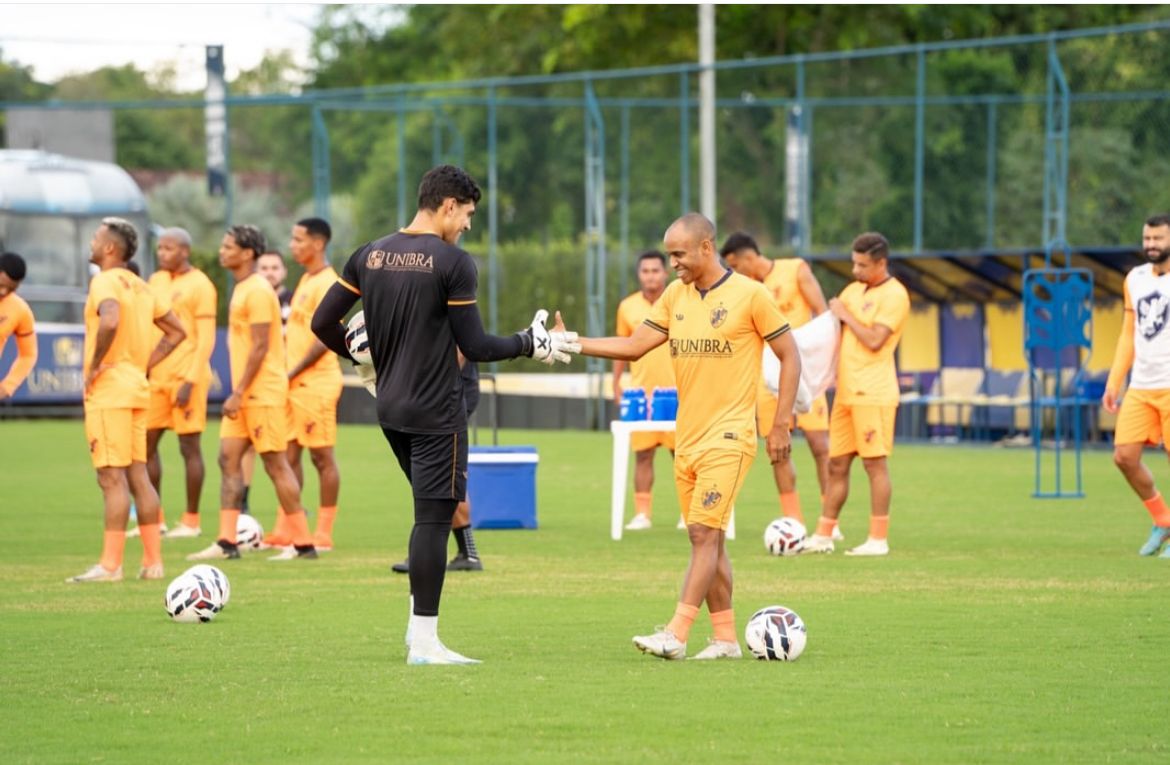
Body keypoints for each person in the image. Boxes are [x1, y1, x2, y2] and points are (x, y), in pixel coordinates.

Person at [310, 164, 577, 665]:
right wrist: (529, 343)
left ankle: (419, 635)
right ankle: (425, 643)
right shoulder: (453, 262)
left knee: (427, 517)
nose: (468, 226)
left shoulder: (369, 254)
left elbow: (322, 322)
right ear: (448, 205)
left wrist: (361, 361)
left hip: (389, 407)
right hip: (437, 411)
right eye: (468, 214)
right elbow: (473, 344)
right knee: (433, 520)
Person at [563, 212, 802, 661]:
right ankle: (727, 639)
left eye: (679, 254)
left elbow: (790, 355)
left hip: (729, 436)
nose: (673, 263)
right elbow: (634, 345)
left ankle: (676, 632)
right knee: (710, 540)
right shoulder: (675, 296)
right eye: (669, 254)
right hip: (687, 436)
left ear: (706, 247)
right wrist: (572, 342)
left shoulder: (751, 295)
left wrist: (781, 421)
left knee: (701, 535)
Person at [187, 225, 319, 562]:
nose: (222, 250)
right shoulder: (243, 287)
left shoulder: (258, 290)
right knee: (227, 459)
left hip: (261, 393)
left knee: (275, 464)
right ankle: (227, 542)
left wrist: (240, 391)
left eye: (229, 246)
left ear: (247, 253)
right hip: (245, 395)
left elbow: (260, 346)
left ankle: (304, 544)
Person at [68, 218, 187, 582]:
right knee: (139, 473)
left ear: (109, 248)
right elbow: (177, 331)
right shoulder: (140, 284)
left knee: (110, 477)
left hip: (111, 390)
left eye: (96, 238)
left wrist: (95, 366)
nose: (91, 243)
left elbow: (109, 321)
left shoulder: (104, 280)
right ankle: (153, 563)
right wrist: (143, 364)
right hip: (136, 386)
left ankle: (110, 565)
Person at [803, 232, 910, 557]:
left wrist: (846, 315)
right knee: (837, 464)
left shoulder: (895, 295)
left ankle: (878, 539)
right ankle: (824, 534)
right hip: (846, 393)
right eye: (854, 263)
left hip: (873, 392)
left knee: (874, 465)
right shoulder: (852, 290)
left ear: (881, 263)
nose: (855, 270)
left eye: (863, 265)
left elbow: (875, 340)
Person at [720, 232, 834, 534]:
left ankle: (828, 523)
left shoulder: (796, 269)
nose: (733, 272)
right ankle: (793, 523)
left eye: (734, 265)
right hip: (766, 378)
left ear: (747, 257)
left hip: (802, 374)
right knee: (777, 450)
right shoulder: (744, 291)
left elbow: (824, 317)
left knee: (820, 446)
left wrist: (821, 364)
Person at [137, 227, 217, 539]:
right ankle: (153, 517)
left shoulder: (201, 285)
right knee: (146, 445)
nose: (162, 253)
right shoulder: (155, 281)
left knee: (189, 447)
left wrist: (191, 379)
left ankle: (191, 521)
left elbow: (206, 339)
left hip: (188, 375)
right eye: (160, 248)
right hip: (156, 375)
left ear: (185, 251)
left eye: (169, 248)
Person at [1103, 213, 1170, 558]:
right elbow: (1129, 333)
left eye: (1158, 239)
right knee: (1124, 457)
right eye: (1147, 239)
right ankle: (1163, 520)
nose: (1151, 245)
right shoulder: (1135, 278)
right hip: (1141, 385)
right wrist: (1115, 381)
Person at [275, 217, 343, 551]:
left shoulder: (329, 282)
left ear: (318, 243)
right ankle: (288, 528)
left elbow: (326, 338)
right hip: (294, 382)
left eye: (298, 239)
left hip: (316, 382)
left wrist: (293, 371)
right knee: (288, 455)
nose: (293, 245)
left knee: (322, 457)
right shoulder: (305, 279)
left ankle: (324, 533)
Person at [391, 350, 485, 573]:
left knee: (439, 474)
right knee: (437, 475)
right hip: (434, 394)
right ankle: (466, 553)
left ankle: (431, 552)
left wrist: (434, 384)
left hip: (447, 394)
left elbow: (463, 347)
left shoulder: (450, 313)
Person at [613, 250, 678, 531]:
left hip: (678, 392)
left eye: (655, 270)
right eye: (645, 271)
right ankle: (642, 514)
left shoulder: (679, 302)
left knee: (684, 456)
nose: (651, 276)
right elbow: (620, 347)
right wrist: (616, 382)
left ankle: (689, 512)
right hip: (642, 394)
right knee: (643, 454)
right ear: (639, 274)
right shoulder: (627, 307)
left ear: (665, 273)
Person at [0, 253, 37, 402]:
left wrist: (7, 386)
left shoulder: (20, 310)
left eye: (10, 289)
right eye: (1, 285)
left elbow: (28, 355)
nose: (3, 292)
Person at [258, 249, 293, 325]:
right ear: (256, 272)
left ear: (284, 272)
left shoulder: (295, 301)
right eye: (264, 268)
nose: (270, 273)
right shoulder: (251, 301)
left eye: (275, 268)